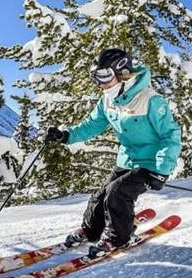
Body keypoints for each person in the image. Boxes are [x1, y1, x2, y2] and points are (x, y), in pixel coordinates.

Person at [45, 48, 181, 258]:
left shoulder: (151, 100)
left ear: (124, 74)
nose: (100, 83)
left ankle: (119, 238)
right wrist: (66, 136)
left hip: (150, 164)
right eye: (97, 76)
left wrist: (161, 170)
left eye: (105, 76)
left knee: (118, 193)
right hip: (127, 159)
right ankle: (91, 231)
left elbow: (171, 135)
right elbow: (91, 125)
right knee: (101, 195)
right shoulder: (108, 100)